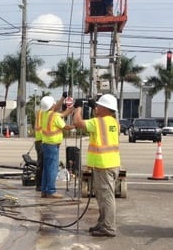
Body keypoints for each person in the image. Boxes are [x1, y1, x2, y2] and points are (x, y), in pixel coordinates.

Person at [73, 94, 120, 237]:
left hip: (104, 165)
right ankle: (103, 223)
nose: (97, 107)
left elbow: (77, 122)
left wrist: (78, 107)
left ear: (105, 108)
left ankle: (109, 227)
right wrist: (94, 107)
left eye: (99, 106)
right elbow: (99, 121)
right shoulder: (113, 122)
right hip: (109, 164)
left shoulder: (98, 123)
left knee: (106, 197)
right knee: (102, 196)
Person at [40, 94, 74, 198]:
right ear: (51, 106)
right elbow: (65, 126)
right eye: (53, 103)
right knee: (52, 169)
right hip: (52, 146)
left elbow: (61, 113)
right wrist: (76, 125)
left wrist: (69, 107)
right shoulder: (54, 116)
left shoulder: (44, 114)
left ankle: (44, 190)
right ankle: (51, 191)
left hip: (46, 144)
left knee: (46, 168)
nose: (55, 104)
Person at [35, 93, 68, 191]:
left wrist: (63, 99)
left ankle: (42, 187)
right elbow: (58, 111)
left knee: (44, 165)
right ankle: (43, 187)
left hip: (41, 141)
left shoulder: (43, 112)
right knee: (47, 166)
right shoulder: (46, 113)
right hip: (44, 141)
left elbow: (58, 111)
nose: (55, 105)